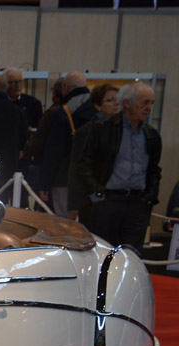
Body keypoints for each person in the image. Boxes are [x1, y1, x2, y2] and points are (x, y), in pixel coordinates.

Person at [72, 82, 161, 251]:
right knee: (103, 252)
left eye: (151, 103)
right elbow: (84, 164)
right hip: (107, 202)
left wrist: (149, 197)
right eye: (144, 102)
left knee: (132, 254)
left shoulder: (151, 135)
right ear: (127, 103)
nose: (149, 108)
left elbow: (154, 170)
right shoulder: (102, 129)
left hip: (137, 203)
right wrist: (97, 194)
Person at [35, 71, 95, 217]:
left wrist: (44, 183)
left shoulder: (63, 112)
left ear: (65, 88)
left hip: (64, 176)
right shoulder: (97, 109)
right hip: (92, 177)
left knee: (64, 221)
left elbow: (54, 150)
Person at [67, 83, 121, 213]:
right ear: (98, 105)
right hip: (92, 198)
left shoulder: (123, 130)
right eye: (110, 100)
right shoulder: (87, 131)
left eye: (118, 99)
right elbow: (76, 168)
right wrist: (73, 206)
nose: (116, 103)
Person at [4, 68, 44, 132]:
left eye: (20, 82)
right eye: (14, 83)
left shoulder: (34, 104)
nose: (18, 86)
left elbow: (38, 130)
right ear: (5, 84)